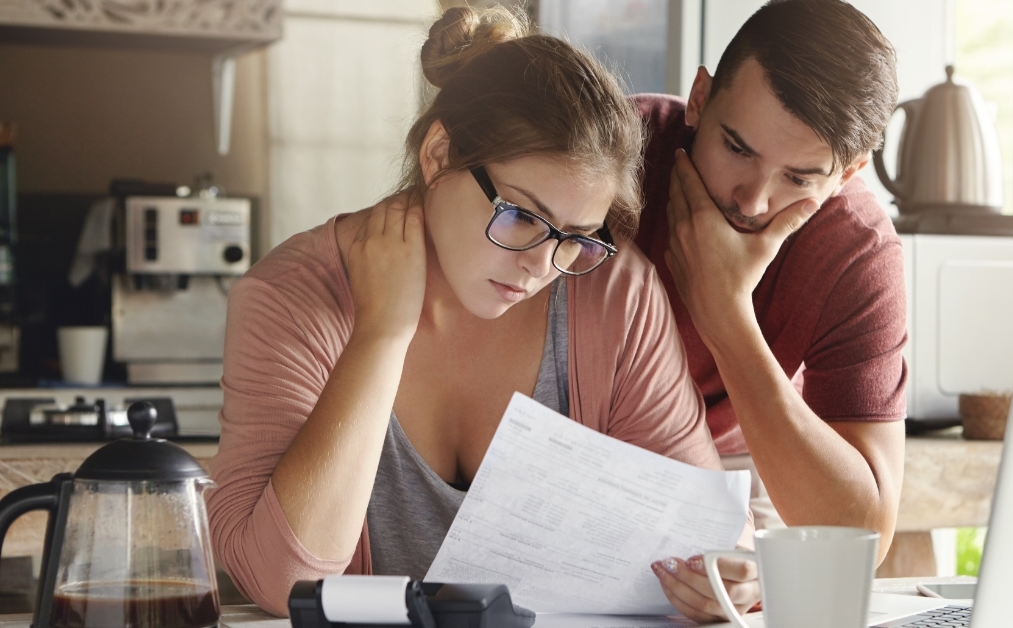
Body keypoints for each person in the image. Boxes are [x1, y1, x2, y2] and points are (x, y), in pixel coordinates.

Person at [205, 6, 755, 621]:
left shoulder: (613, 290)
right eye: (520, 215)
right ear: (439, 155)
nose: (541, 265)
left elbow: (705, 534)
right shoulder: (291, 297)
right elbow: (283, 580)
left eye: (575, 236)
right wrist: (382, 334)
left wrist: (727, 574)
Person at [638, 0, 909, 609]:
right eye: (737, 148)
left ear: (848, 173)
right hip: (575, 433)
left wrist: (726, 314)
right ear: (701, 97)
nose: (755, 201)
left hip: (742, 453)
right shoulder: (612, 155)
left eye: (800, 178)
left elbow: (863, 532)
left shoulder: (856, 249)